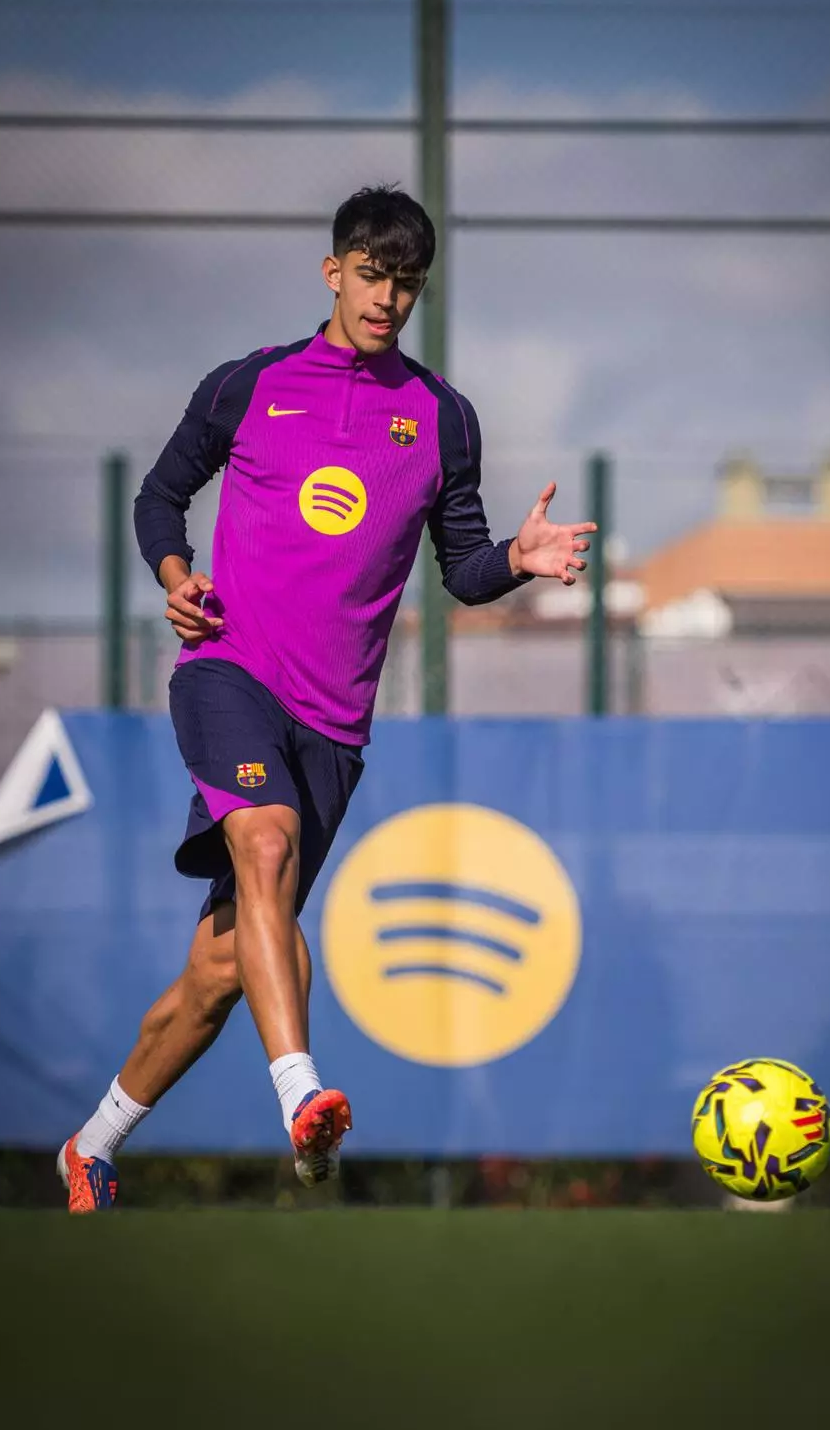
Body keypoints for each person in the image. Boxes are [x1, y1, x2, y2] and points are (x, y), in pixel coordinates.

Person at [57, 185, 597, 1211]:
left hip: (335, 731)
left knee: (221, 974)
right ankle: (302, 1098)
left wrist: (517, 560)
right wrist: (176, 578)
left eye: (408, 282)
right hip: (229, 673)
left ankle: (90, 1147)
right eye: (372, 274)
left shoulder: (442, 418)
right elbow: (160, 494)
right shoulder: (250, 385)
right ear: (332, 271)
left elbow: (463, 568)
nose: (388, 297)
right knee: (261, 842)